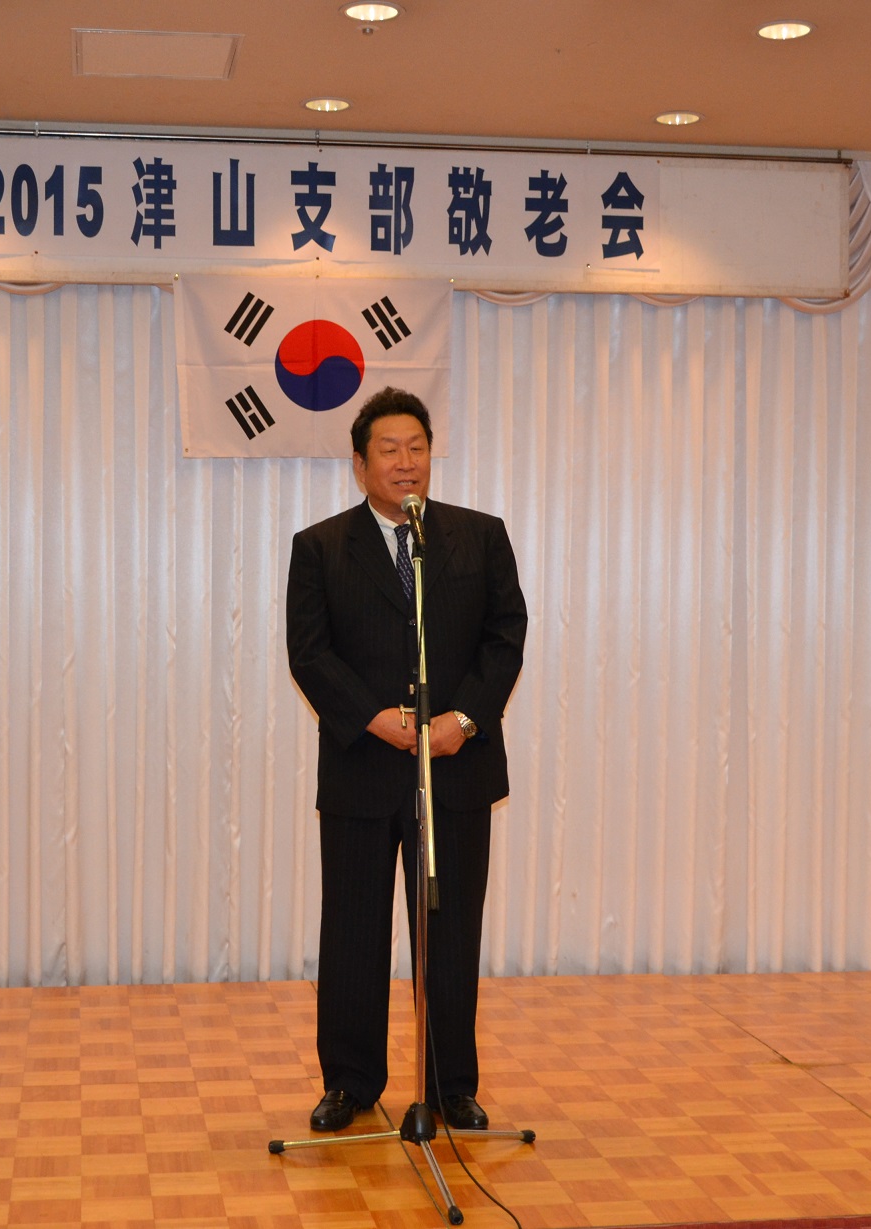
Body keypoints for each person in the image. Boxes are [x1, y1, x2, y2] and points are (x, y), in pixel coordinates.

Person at [285, 386, 528, 1133]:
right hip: (362, 768)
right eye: (388, 450)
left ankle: (450, 1084)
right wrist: (373, 718)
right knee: (353, 932)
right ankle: (350, 1082)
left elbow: (506, 636)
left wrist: (465, 719)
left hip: (455, 768)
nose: (406, 462)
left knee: (450, 936)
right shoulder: (320, 546)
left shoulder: (478, 536)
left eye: (417, 448)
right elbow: (309, 652)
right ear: (360, 464)